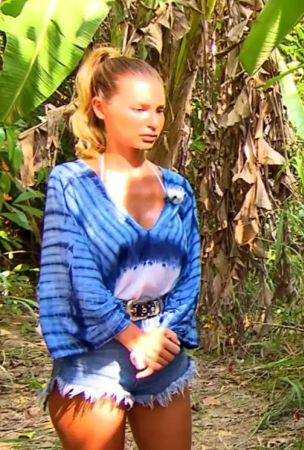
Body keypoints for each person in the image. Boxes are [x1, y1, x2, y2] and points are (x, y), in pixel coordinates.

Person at [36, 46, 201, 450]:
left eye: (160, 110)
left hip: (161, 348)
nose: (154, 122)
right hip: (95, 355)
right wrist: (132, 338)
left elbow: (191, 270)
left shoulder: (177, 188)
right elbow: (79, 277)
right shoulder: (72, 183)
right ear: (100, 107)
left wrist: (163, 335)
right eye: (140, 109)